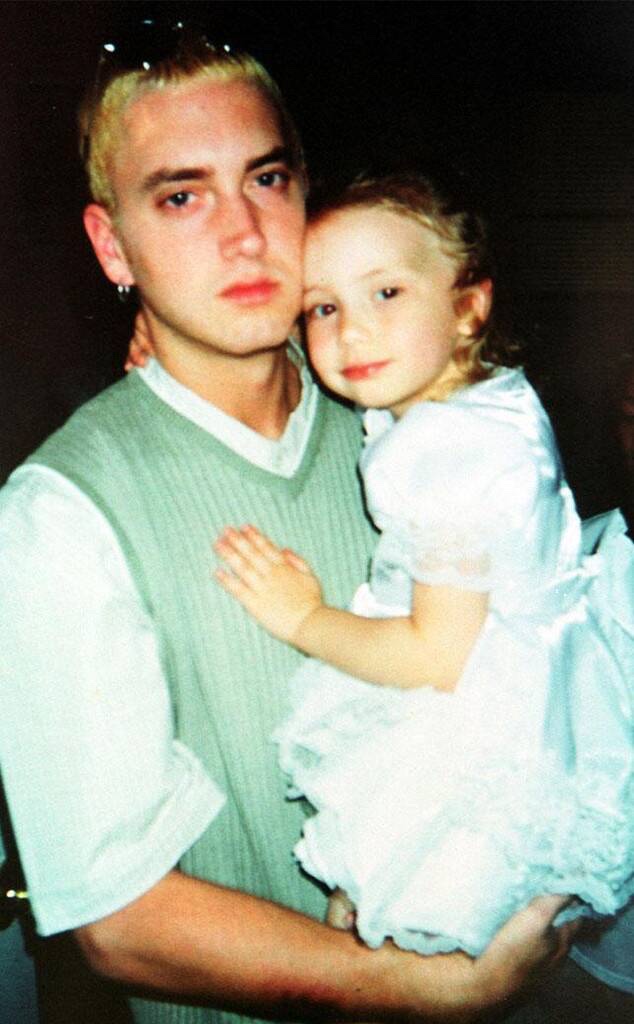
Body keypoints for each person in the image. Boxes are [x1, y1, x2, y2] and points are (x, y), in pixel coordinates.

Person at [0, 21, 576, 1024]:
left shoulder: (399, 405)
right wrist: (426, 991)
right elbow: (119, 917)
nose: (244, 234)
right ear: (111, 245)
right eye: (181, 197)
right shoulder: (59, 517)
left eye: (265, 180)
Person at [214, 174, 634, 957]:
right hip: (553, 696)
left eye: (387, 293)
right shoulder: (484, 397)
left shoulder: (445, 455)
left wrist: (303, 618)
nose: (353, 332)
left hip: (475, 734)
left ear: (468, 307)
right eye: (323, 308)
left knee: (407, 918)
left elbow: (435, 655)